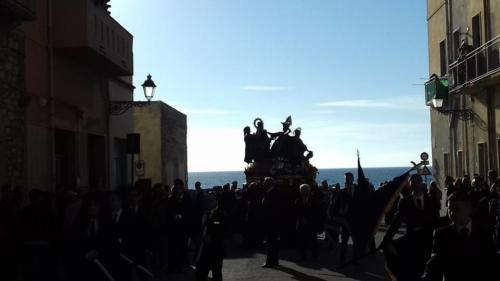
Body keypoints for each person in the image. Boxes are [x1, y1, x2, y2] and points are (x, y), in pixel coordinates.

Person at [421, 192, 497, 281]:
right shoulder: (441, 234)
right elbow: (434, 263)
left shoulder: (484, 232)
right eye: (449, 209)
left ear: (468, 208)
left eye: (456, 209)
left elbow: (492, 262)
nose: (452, 213)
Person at [382, 174, 440, 281]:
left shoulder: (431, 201)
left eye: (418, 181)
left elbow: (437, 221)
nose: (415, 184)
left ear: (422, 183)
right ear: (410, 185)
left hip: (428, 241)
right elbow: (396, 222)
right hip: (412, 242)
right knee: (413, 270)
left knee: (428, 269)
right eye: (413, 182)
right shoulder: (405, 202)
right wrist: (387, 239)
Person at [195, 193, 226, 281]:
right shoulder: (199, 214)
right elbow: (194, 228)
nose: (207, 203)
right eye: (206, 201)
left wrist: (212, 237)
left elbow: (225, 232)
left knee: (216, 274)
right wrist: (196, 238)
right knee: (200, 274)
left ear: (216, 202)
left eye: (210, 201)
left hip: (216, 250)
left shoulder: (222, 215)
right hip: (202, 251)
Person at [295, 184, 322, 261]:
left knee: (313, 242)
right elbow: (296, 212)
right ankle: (303, 256)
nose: (304, 192)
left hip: (311, 224)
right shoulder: (298, 200)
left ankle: (315, 257)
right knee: (301, 242)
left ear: (309, 191)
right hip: (301, 224)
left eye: (305, 190)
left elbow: (316, 213)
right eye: (302, 190)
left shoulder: (313, 200)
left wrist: (309, 220)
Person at [261, 177, 282, 268]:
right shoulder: (268, 193)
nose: (263, 184)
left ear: (269, 184)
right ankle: (270, 261)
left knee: (273, 243)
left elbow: (276, 210)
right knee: (270, 243)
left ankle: (273, 262)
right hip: (269, 222)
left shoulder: (274, 194)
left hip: (273, 222)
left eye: (265, 183)